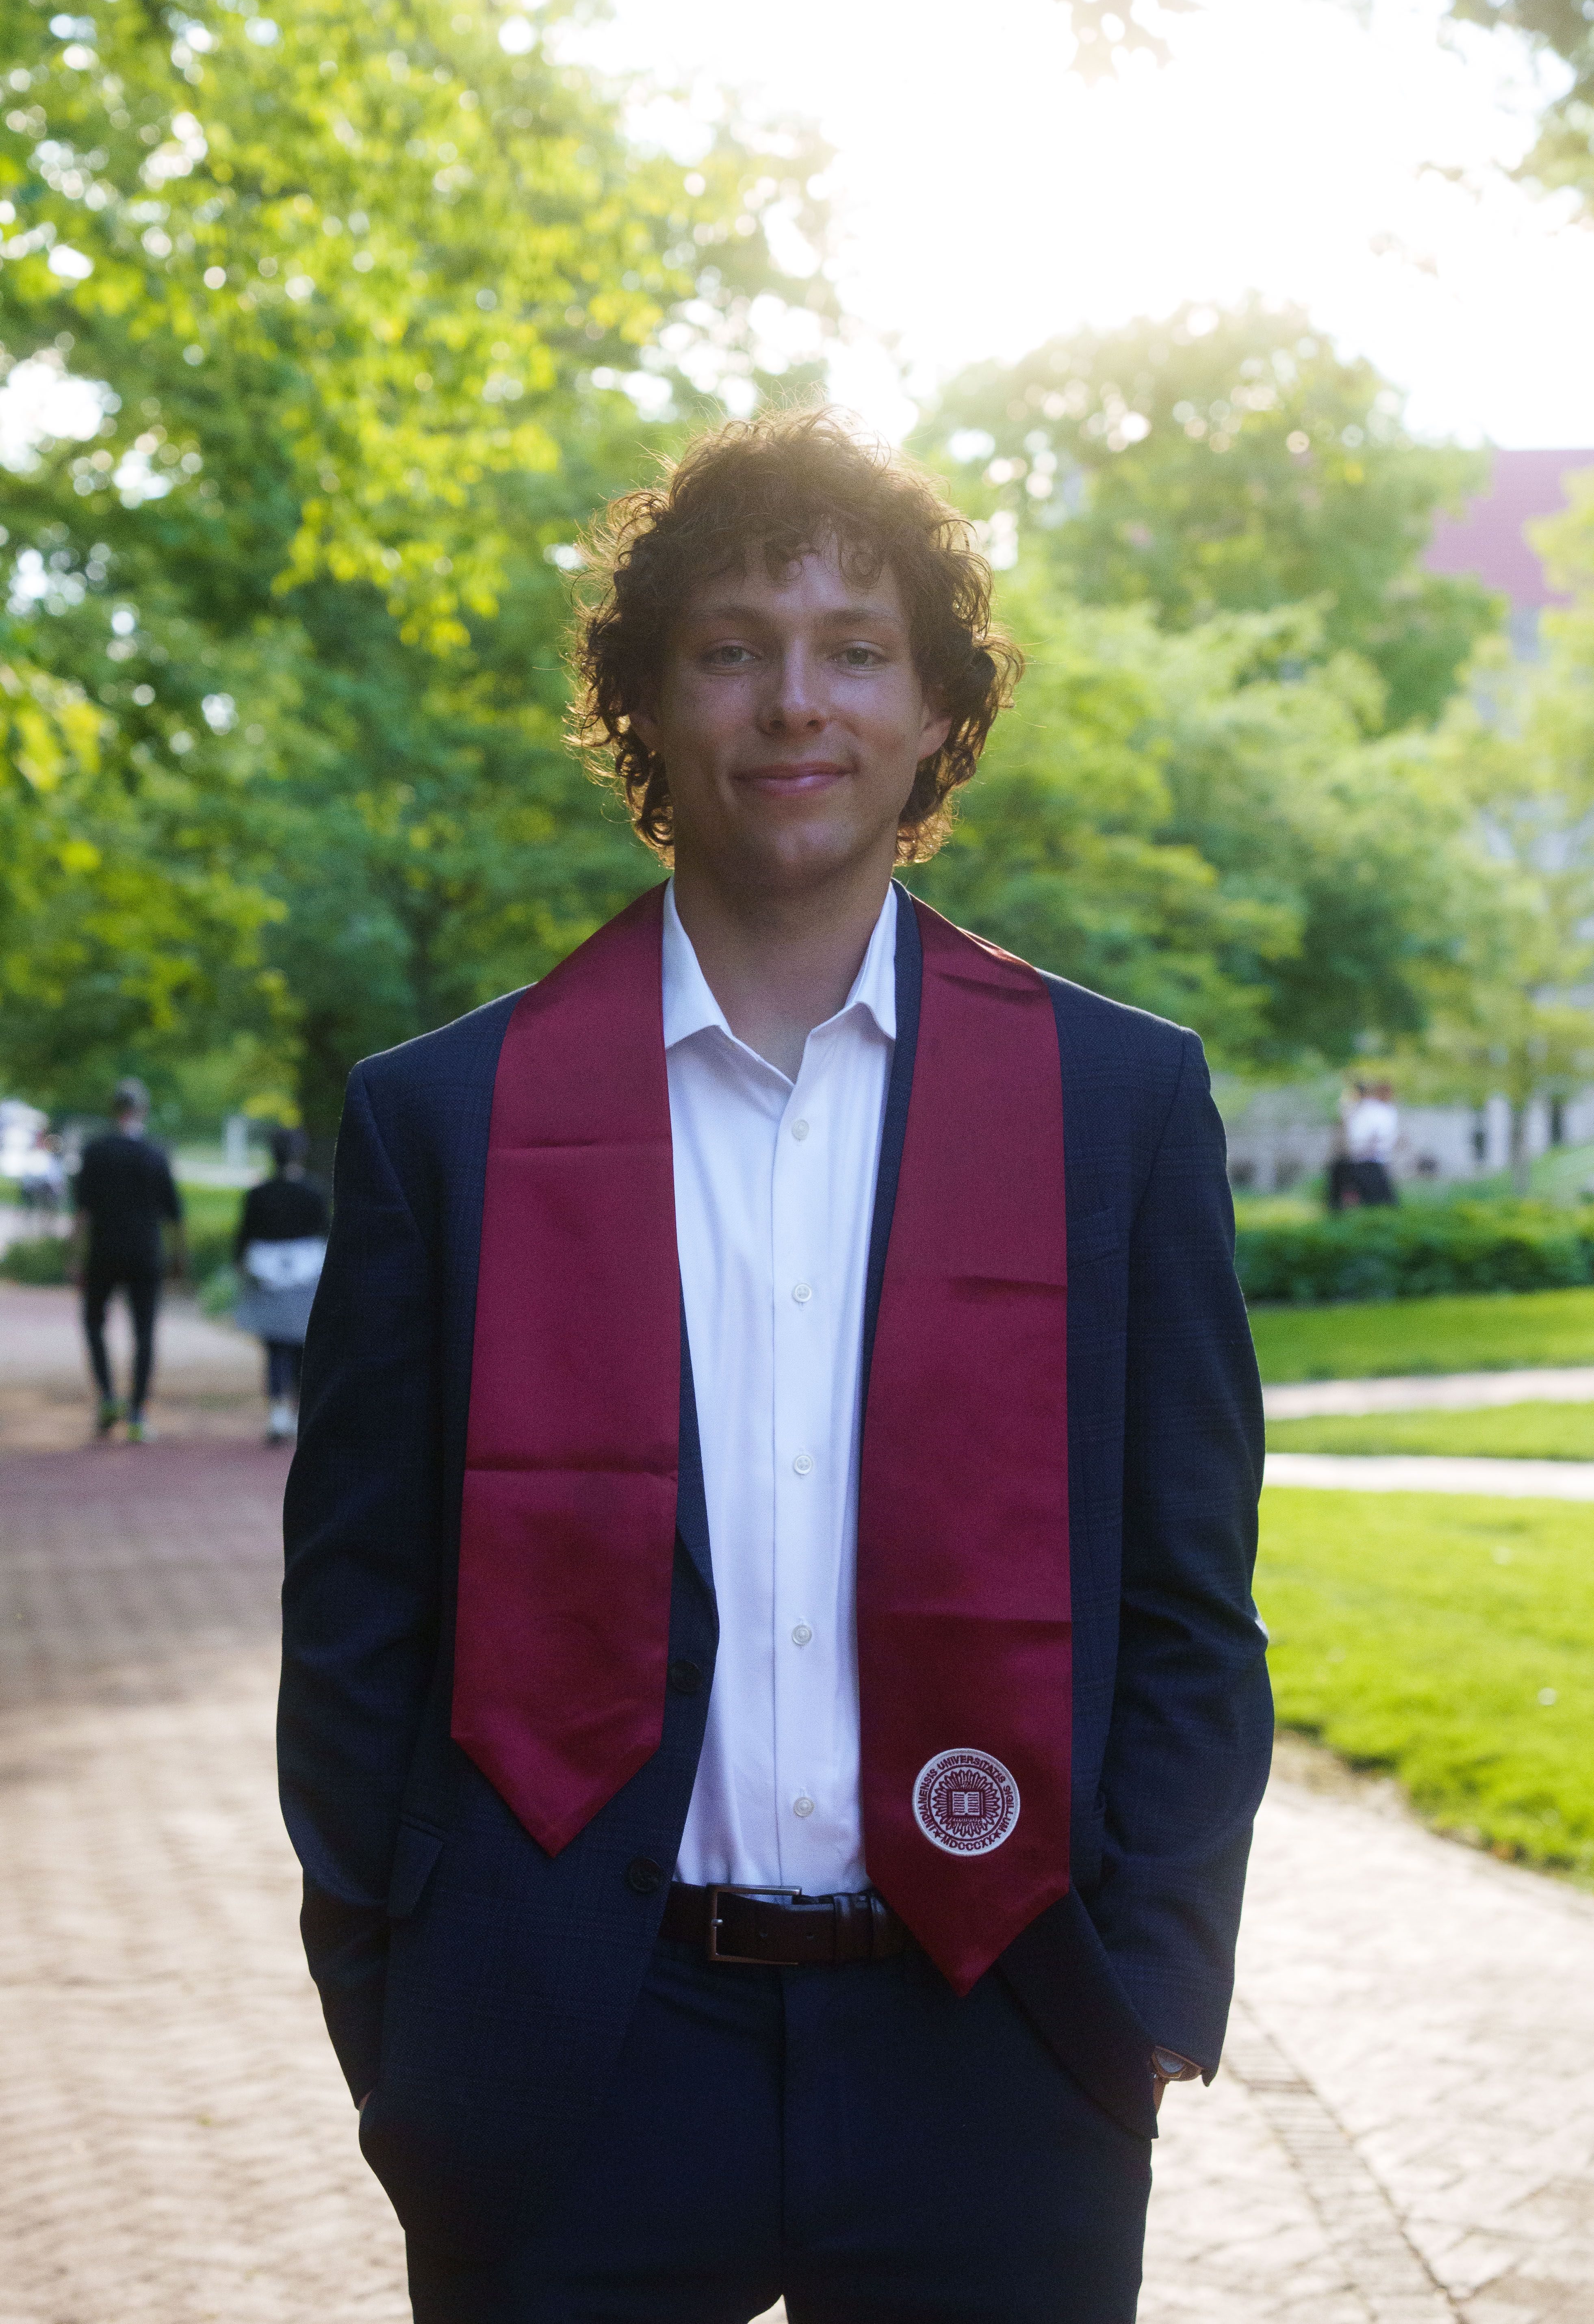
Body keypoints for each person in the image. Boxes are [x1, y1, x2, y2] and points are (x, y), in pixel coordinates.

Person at [280, 410, 1271, 2324]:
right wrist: (403, 2014)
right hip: (578, 2045)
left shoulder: (1115, 1111)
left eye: (854, 646)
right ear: (648, 706)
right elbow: (357, 1632)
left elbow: (1186, 1606)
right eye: (731, 646)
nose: (791, 703)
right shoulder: (446, 1123)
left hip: (997, 2037)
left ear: (933, 710)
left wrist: (1140, 1991)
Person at [72, 1076, 186, 1443]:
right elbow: (174, 1215)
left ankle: (107, 1397)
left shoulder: (95, 1152)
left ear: (113, 1109)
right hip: (145, 1254)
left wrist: (73, 1256)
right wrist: (179, 1257)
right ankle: (138, 1412)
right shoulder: (156, 1154)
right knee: (145, 1333)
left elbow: (82, 1213)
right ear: (143, 1111)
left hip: (103, 1253)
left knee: (93, 1325)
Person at [233, 1127, 330, 1445]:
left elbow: (244, 1238)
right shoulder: (314, 1192)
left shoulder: (258, 1195)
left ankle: (278, 1412)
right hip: (307, 1274)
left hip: (268, 1276)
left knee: (275, 1347)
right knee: (304, 1348)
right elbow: (326, 1234)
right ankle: (299, 1412)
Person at [1344, 1078, 1401, 1206]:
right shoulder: (1374, 1109)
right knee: (1374, 1190)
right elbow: (1373, 1132)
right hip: (1369, 1155)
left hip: (1374, 1155)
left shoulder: (1382, 1109)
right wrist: (1369, 1149)